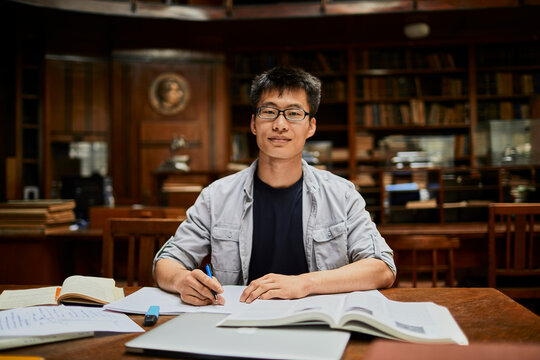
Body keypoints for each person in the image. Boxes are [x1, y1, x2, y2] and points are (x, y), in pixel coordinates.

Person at [153, 66, 396, 306]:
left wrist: (304, 283)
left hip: (316, 323)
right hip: (238, 324)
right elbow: (167, 261)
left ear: (311, 126)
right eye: (269, 112)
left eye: (293, 113)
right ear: (254, 124)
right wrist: (182, 280)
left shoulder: (341, 194)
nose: (280, 124)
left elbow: (382, 267)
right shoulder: (217, 196)